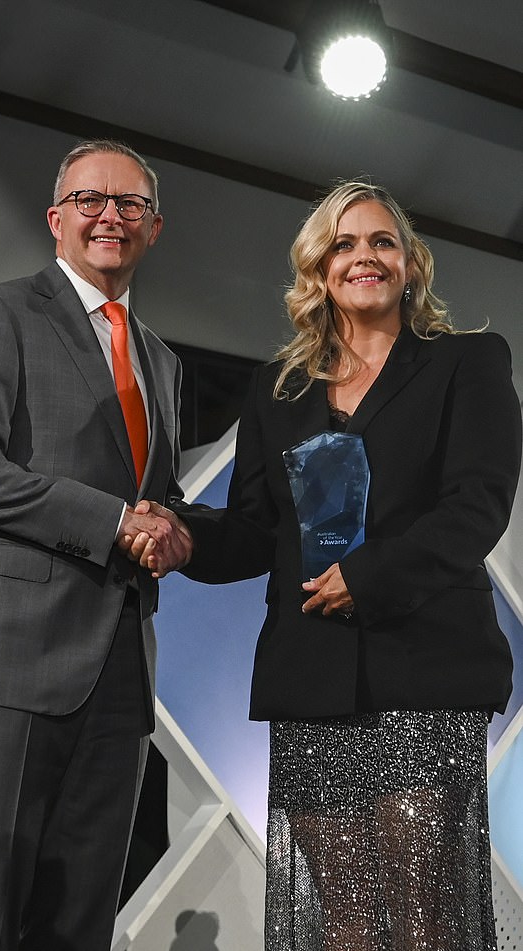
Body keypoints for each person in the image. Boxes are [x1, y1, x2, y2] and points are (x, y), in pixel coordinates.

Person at [127, 182, 522, 950]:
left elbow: (476, 507)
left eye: (381, 241)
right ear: (318, 266)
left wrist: (368, 577)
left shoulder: (469, 362)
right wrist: (185, 538)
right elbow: (252, 529)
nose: (363, 256)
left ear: (411, 265)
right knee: (340, 920)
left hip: (425, 673)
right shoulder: (281, 388)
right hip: (310, 675)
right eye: (344, 244)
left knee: (421, 918)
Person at [0, 139, 192, 950]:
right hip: (4, 657)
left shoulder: (163, 362)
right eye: (91, 199)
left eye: (129, 203)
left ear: (154, 227)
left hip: (119, 673)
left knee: (80, 917)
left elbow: (147, 500)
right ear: (55, 219)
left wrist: (168, 528)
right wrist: (112, 520)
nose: (110, 215)